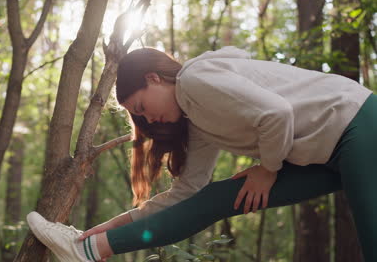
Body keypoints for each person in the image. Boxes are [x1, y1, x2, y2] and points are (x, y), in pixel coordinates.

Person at [27, 46, 377, 262]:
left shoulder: (195, 79)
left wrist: (267, 169)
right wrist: (109, 226)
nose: (148, 119)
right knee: (213, 199)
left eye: (142, 107)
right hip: (325, 155)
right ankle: (88, 248)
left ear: (154, 79)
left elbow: (277, 113)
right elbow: (187, 192)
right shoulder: (198, 121)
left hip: (357, 125)